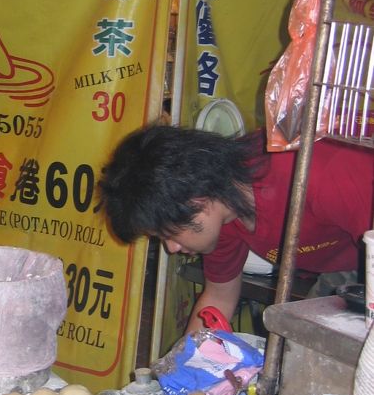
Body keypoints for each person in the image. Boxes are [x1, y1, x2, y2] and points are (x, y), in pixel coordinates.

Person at [98, 124, 373, 332]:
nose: (172, 248)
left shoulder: (320, 170)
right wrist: (180, 381)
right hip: (347, 262)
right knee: (305, 353)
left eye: (168, 234)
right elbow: (218, 298)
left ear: (197, 201)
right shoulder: (222, 209)